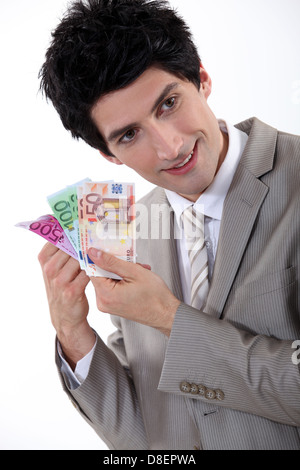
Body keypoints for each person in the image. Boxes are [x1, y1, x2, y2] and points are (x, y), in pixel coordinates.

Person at [38, 0, 300, 450]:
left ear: (202, 77)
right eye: (129, 135)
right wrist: (74, 334)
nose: (169, 147)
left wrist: (167, 318)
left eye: (168, 103)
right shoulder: (129, 230)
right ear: (108, 155)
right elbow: (154, 436)